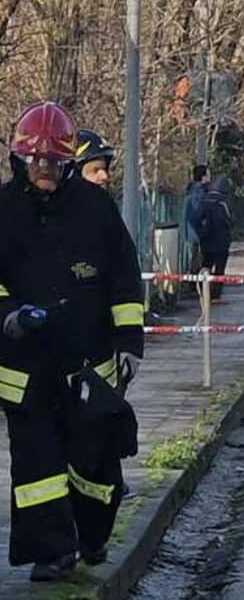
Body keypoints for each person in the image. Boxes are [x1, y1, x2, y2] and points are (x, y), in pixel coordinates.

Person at [0, 101, 143, 581]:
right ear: (20, 159)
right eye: (35, 160)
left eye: (53, 161)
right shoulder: (4, 210)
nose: (43, 169)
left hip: (89, 366)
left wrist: (130, 341)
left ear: (68, 162)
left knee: (94, 464)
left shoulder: (95, 208)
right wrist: (10, 315)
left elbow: (124, 278)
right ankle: (52, 552)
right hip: (24, 370)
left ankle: (94, 536)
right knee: (36, 469)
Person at [197, 177, 234, 302]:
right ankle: (216, 295)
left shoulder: (204, 200)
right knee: (219, 269)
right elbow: (230, 220)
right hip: (221, 243)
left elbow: (197, 218)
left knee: (205, 266)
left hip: (206, 241)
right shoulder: (224, 202)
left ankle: (203, 291)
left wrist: (201, 234)